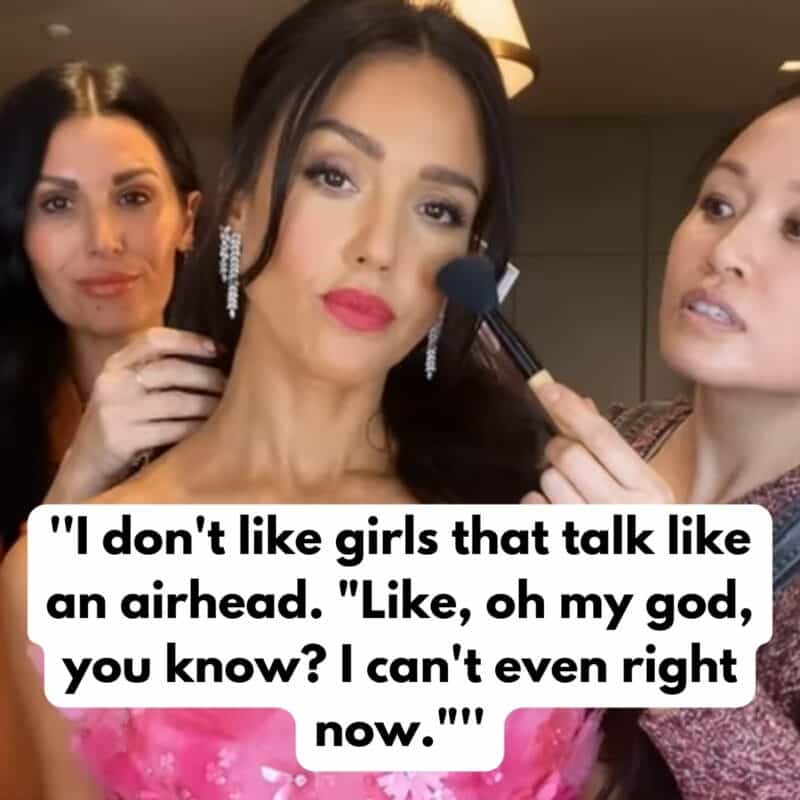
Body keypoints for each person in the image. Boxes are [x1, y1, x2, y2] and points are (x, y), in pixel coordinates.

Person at [1, 1, 603, 799]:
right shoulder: (67, 570)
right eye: (334, 176)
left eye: (437, 210)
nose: (380, 248)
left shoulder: (521, 524)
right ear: (237, 200)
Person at [525, 82, 800, 799]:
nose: (727, 249)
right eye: (718, 205)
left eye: (798, 228)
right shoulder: (610, 441)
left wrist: (673, 625)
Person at [0, 61, 225, 557]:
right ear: (18, 232)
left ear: (187, 221)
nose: (103, 240)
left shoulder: (252, 403)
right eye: (57, 204)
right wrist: (82, 474)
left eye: (134, 197)